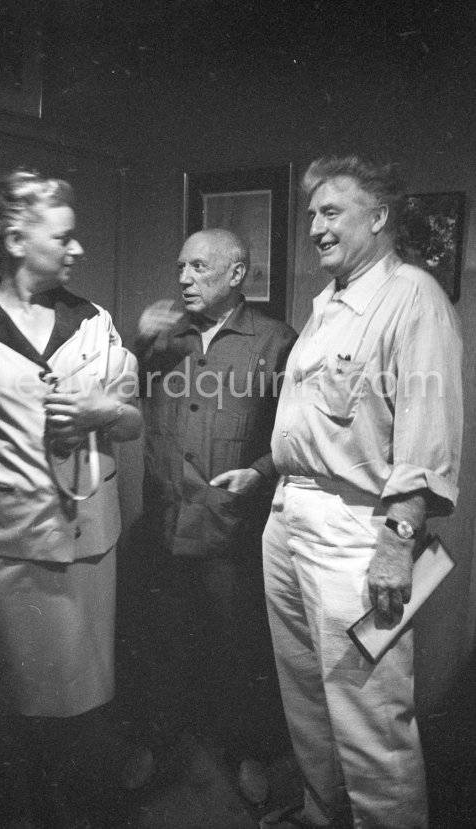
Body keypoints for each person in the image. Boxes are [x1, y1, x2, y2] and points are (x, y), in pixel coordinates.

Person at [0, 170, 141, 829]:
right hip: (3, 545)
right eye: (65, 237)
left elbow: (132, 421)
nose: (78, 251)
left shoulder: (93, 321)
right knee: (14, 698)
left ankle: (79, 807)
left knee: (85, 693)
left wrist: (106, 406)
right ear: (16, 239)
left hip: (86, 542)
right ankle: (22, 812)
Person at [260, 156, 463, 829]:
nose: (315, 226)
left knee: (369, 715)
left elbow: (426, 437)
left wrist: (397, 543)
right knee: (311, 705)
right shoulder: (327, 307)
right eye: (311, 213)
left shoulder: (412, 297)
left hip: (358, 530)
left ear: (377, 218)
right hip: (290, 514)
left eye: (331, 212)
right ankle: (325, 817)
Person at [127, 228, 297, 802]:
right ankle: (157, 742)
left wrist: (265, 470)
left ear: (237, 273)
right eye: (181, 267)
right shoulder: (165, 339)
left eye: (199, 267)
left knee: (242, 649)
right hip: (164, 525)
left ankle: (248, 750)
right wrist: (137, 343)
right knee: (158, 645)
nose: (183, 278)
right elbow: (114, 396)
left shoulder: (276, 342)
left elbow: (299, 435)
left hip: (231, 529)